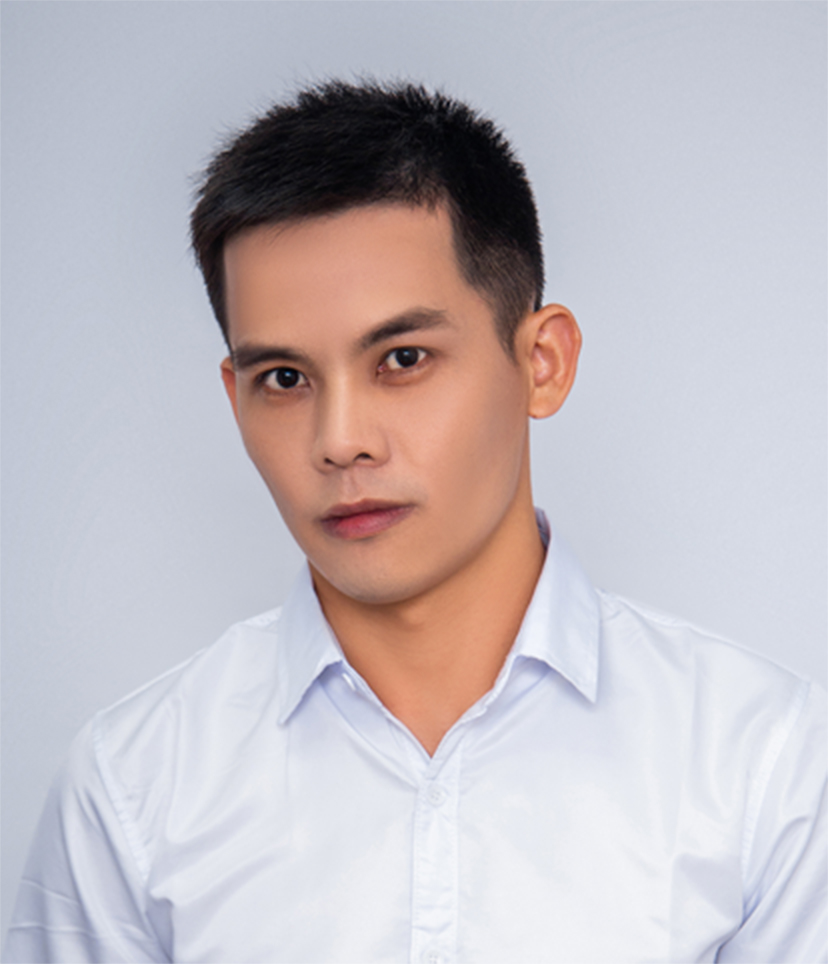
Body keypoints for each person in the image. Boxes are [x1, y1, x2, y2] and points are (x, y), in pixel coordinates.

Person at [4, 80, 825, 964]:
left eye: (402, 359)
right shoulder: (131, 788)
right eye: (284, 379)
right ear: (235, 397)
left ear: (542, 363)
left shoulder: (764, 761)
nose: (339, 441)